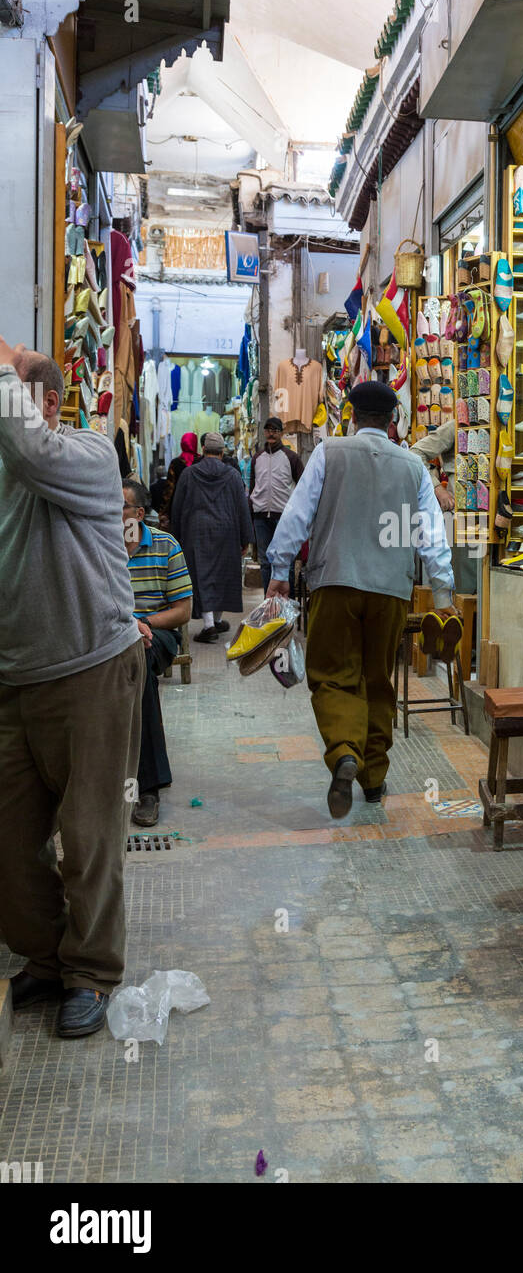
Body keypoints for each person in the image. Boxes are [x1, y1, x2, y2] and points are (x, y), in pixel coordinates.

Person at [0, 338, 145, 1038]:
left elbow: (31, 453)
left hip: (93, 669)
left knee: (88, 836)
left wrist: (4, 363)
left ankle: (90, 970)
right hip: (16, 679)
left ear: (47, 403)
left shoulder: (88, 455)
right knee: (13, 841)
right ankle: (47, 957)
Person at [266, 381, 457, 817]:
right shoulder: (412, 466)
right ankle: (373, 780)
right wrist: (442, 592)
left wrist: (279, 569)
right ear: (393, 421)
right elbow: (430, 532)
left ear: (351, 415)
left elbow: (298, 514)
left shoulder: (329, 453)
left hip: (335, 583)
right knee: (377, 680)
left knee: (333, 675)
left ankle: (344, 752)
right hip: (390, 591)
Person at [122, 478, 194, 827]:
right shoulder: (101, 546)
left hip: (159, 633)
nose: (113, 513)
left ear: (138, 512)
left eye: (120, 506)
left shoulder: (165, 545)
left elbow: (183, 610)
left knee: (139, 662)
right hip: (115, 633)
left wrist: (146, 623)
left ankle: (147, 787)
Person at [172, 431, 254, 642]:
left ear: (203, 450)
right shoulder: (233, 476)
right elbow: (242, 508)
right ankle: (213, 622)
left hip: (196, 531)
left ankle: (211, 624)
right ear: (222, 452)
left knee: (202, 576)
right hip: (227, 531)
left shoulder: (189, 474)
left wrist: (176, 536)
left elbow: (177, 507)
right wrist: (245, 538)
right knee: (223, 574)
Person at [410, 418, 477, 594]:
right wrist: (437, 488)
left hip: (495, 517)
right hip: (463, 515)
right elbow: (416, 453)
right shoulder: (458, 425)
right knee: (465, 588)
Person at [248, 416, 304, 595]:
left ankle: (286, 602)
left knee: (284, 561)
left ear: (281, 433)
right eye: (268, 430)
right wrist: (251, 510)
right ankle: (268, 601)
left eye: (275, 430)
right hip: (260, 516)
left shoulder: (291, 457)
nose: (271, 434)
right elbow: (252, 486)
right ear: (264, 432)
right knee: (265, 561)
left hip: (284, 517)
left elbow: (302, 486)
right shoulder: (257, 458)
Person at [160, 430, 198, 528]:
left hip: (178, 507)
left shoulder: (175, 463)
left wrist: (163, 511)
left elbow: (169, 489)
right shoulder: (200, 462)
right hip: (198, 507)